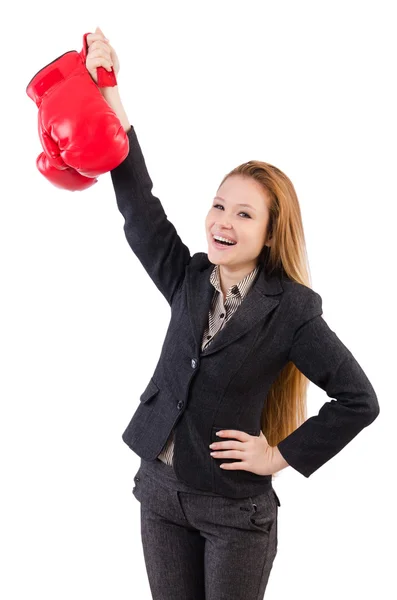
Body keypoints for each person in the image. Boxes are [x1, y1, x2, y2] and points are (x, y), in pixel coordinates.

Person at [85, 28, 380, 600]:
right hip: (160, 493)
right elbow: (140, 206)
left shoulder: (291, 308)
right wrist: (109, 91)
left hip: (234, 510)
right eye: (219, 205)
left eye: (244, 214)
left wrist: (277, 454)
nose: (223, 221)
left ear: (270, 235)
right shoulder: (188, 278)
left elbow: (359, 400)